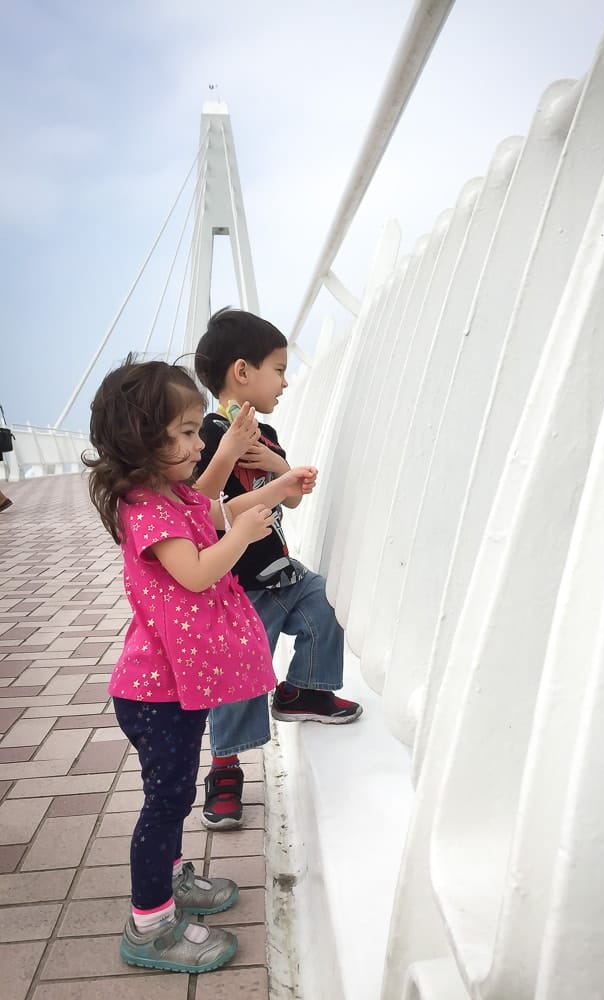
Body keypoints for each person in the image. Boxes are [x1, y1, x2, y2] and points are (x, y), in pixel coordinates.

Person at [84, 353, 317, 973]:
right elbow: (194, 572)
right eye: (185, 433)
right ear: (142, 439)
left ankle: (166, 878)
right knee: (165, 803)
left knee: (172, 794)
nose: (197, 443)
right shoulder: (146, 509)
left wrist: (277, 488)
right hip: (153, 694)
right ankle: (149, 923)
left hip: (167, 689)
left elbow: (217, 509)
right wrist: (241, 539)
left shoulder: (168, 495)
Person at [193, 308, 362, 831]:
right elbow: (206, 513)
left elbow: (290, 504)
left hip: (280, 572)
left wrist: (280, 469)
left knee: (324, 603)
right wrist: (237, 459)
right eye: (279, 369)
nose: (287, 382)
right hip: (237, 588)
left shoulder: (264, 432)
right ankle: (225, 767)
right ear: (243, 372)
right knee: (238, 680)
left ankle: (302, 690)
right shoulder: (202, 437)